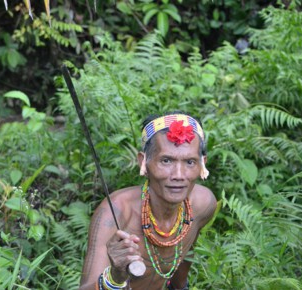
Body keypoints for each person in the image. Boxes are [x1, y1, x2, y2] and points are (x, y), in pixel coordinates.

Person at [80, 112, 217, 290]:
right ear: (143, 162)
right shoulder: (116, 212)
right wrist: (115, 277)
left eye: (190, 162)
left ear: (202, 165)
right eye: (166, 160)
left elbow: (184, 258)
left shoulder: (203, 204)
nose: (178, 175)